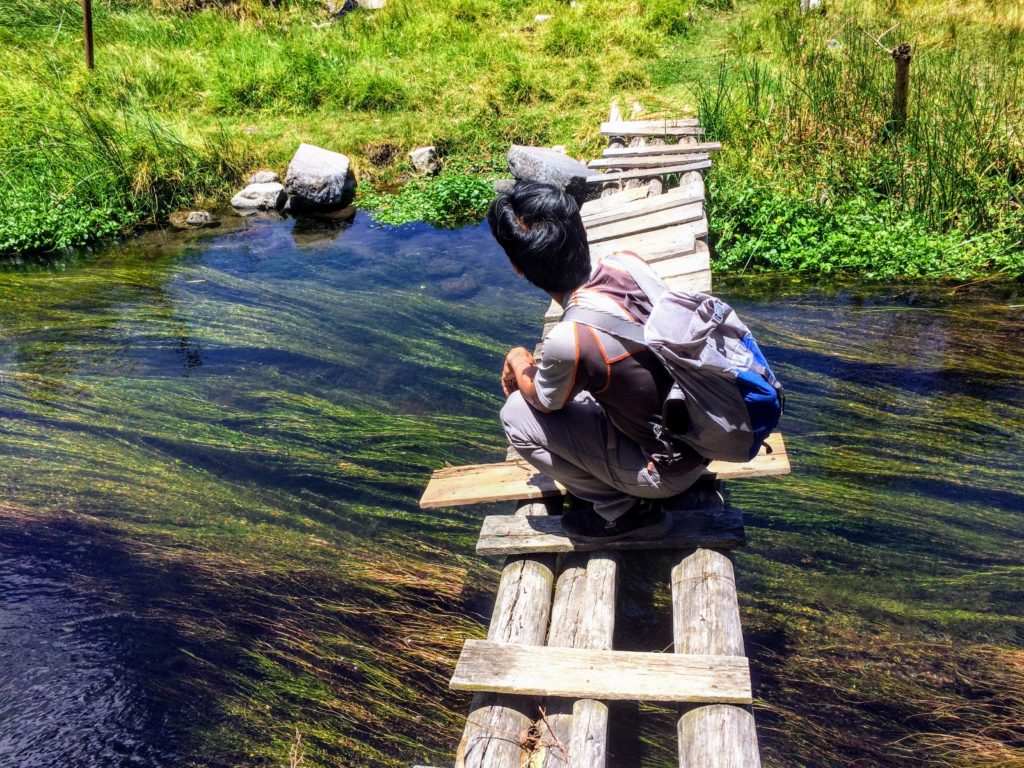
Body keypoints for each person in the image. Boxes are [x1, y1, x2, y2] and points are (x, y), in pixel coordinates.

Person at [488, 180, 706, 543]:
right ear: (584, 232)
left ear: (517, 268)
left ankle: (623, 511)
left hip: (668, 472)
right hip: (702, 435)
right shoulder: (626, 264)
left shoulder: (571, 339)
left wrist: (516, 357)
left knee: (515, 415)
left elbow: (542, 401)